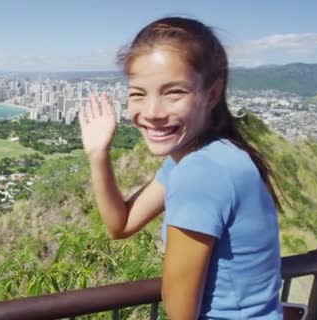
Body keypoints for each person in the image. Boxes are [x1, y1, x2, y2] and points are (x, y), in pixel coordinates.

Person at [78, 17, 283, 319]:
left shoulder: (202, 172)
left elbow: (180, 314)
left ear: (211, 95)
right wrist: (98, 153)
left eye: (174, 92)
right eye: (138, 94)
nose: (152, 112)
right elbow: (120, 225)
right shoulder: (208, 156)